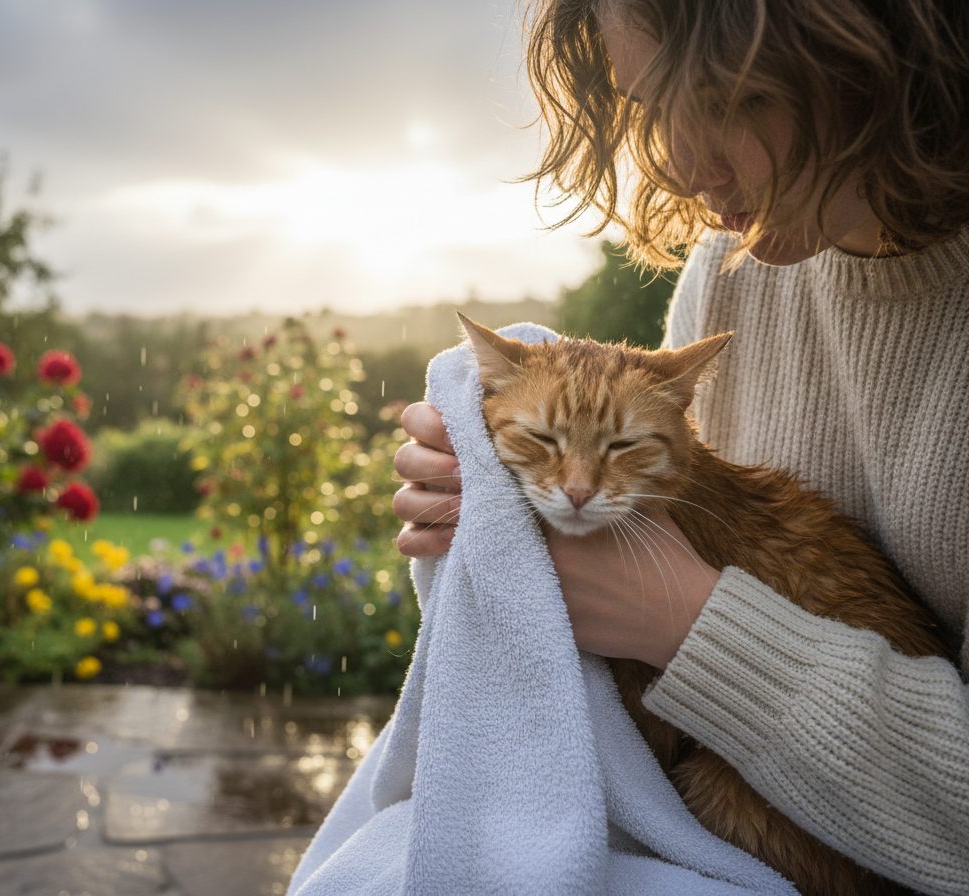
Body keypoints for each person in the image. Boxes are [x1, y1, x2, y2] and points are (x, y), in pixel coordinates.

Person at [391, 1, 969, 893]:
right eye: (648, 105)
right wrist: (480, 509)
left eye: (725, 98)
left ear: (874, 57)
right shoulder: (734, 266)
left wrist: (686, 624)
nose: (677, 163)